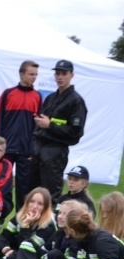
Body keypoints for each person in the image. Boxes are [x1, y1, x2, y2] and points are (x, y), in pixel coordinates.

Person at [29, 60, 87, 203]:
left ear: (71, 75)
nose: (60, 77)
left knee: (50, 195)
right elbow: (40, 124)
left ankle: (51, 218)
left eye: (64, 74)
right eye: (57, 73)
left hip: (55, 152)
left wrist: (50, 125)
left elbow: (75, 133)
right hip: (39, 151)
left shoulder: (76, 101)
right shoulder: (50, 98)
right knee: (33, 193)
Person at [0, 60, 41, 211]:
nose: (34, 77)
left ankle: (21, 218)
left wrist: (34, 149)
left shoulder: (37, 96)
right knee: (2, 185)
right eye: (31, 74)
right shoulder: (8, 94)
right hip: (7, 149)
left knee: (24, 188)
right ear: (21, 74)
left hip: (26, 150)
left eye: (36, 75)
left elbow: (38, 127)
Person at [19, 200, 87, 259]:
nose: (60, 216)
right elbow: (43, 253)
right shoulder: (59, 233)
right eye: (60, 213)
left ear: (74, 218)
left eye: (65, 214)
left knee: (55, 254)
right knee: (22, 252)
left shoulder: (77, 239)